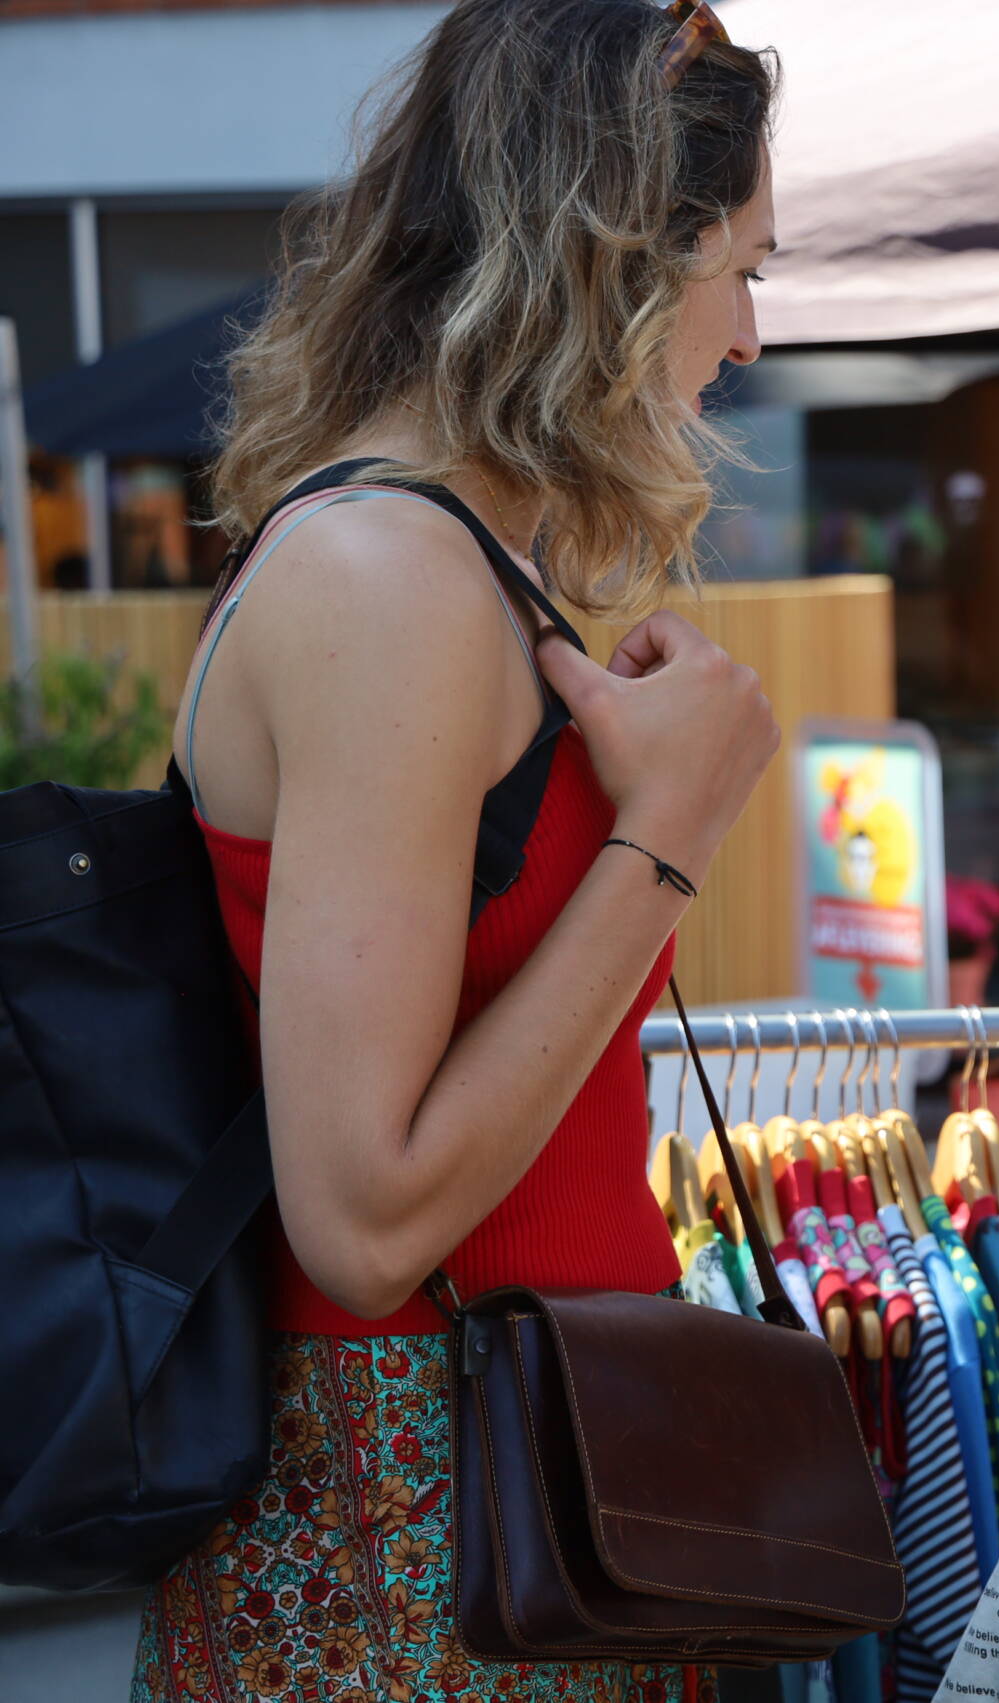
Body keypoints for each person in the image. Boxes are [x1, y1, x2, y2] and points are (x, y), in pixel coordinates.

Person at [132, 2, 780, 1696]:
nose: (755, 335)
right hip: (415, 1527)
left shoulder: (448, 569)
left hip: (508, 1497)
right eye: (745, 265)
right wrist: (670, 835)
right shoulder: (391, 580)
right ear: (619, 264)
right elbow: (365, 1216)